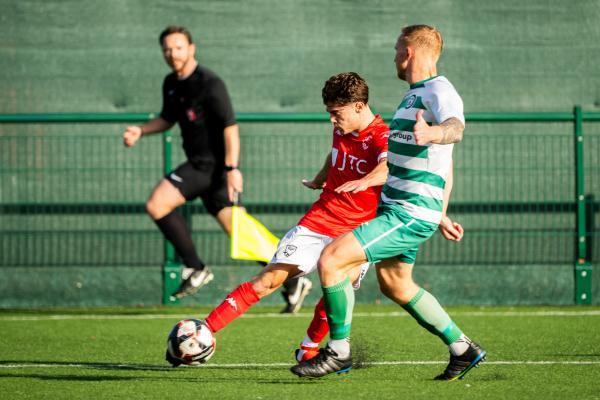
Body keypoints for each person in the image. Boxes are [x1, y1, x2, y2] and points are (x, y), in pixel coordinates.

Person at [292, 25, 486, 381]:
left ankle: (337, 352)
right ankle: (463, 348)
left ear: (410, 52)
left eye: (398, 49)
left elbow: (456, 128)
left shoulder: (439, 91)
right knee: (396, 284)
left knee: (333, 260)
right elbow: (445, 163)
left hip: (408, 211)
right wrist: (440, 214)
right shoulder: (413, 96)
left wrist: (435, 133)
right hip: (407, 209)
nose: (395, 56)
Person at [122, 25, 310, 311]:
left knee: (157, 204)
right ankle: (292, 279)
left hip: (210, 168)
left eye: (178, 47)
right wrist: (140, 130)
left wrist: (232, 168)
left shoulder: (210, 83)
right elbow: (166, 119)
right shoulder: (171, 83)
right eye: (167, 49)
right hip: (204, 170)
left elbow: (230, 127)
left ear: (191, 48)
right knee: (242, 235)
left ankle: (196, 267)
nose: (173, 53)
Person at [194, 72, 390, 344]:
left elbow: (388, 167)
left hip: (357, 231)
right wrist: (321, 178)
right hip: (320, 221)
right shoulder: (341, 128)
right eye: (329, 113)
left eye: (336, 112)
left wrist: (365, 181)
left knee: (337, 290)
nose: (332, 119)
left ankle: (309, 350)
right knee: (268, 280)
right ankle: (203, 331)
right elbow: (335, 154)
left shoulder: (382, 135)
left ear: (358, 105)